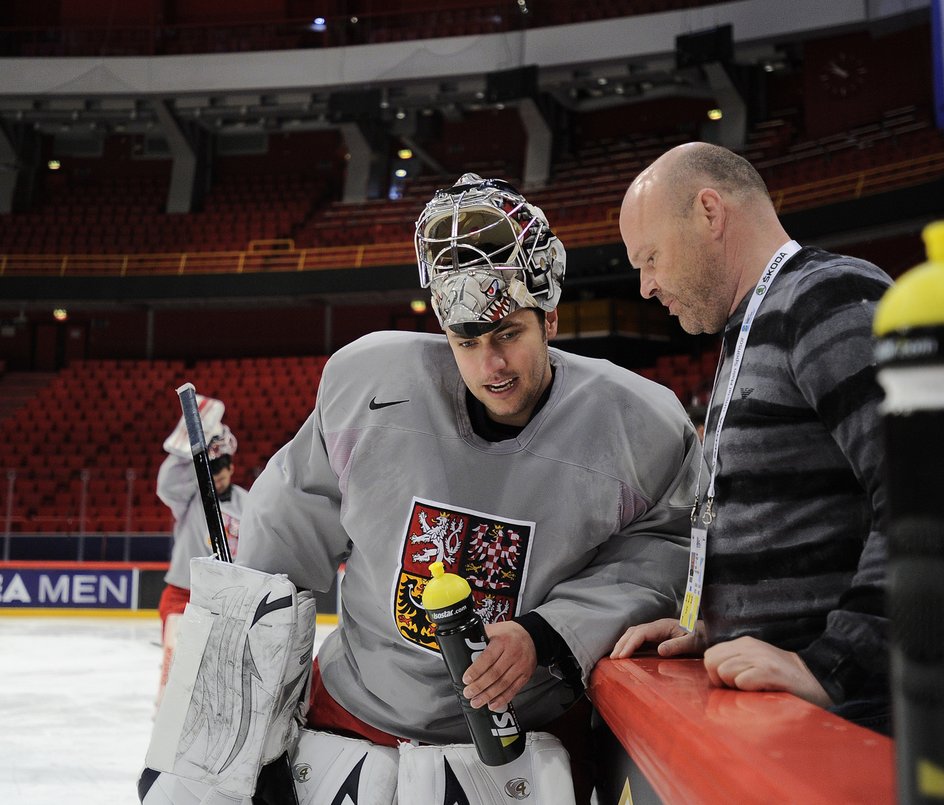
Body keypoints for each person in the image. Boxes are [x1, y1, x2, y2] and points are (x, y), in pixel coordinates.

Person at [141, 174, 699, 805]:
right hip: (350, 719)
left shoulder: (640, 423)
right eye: (466, 342)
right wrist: (216, 741)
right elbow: (279, 549)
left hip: (520, 740)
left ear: (549, 315)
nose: (491, 366)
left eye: (509, 334)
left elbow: (657, 555)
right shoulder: (367, 383)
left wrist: (545, 634)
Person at [611, 142, 892, 734]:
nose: (646, 286)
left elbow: (931, 492)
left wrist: (830, 666)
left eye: (651, 257)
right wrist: (717, 627)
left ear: (709, 212)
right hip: (799, 703)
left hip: (862, 712)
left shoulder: (828, 297)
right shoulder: (754, 329)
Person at [154, 413, 245, 708]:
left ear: (232, 469)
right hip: (183, 592)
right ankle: (170, 711)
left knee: (219, 668)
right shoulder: (191, 497)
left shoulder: (249, 503)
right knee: (178, 653)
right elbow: (166, 486)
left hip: (225, 598)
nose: (217, 479)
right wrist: (183, 452)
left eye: (222, 472)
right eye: (212, 473)